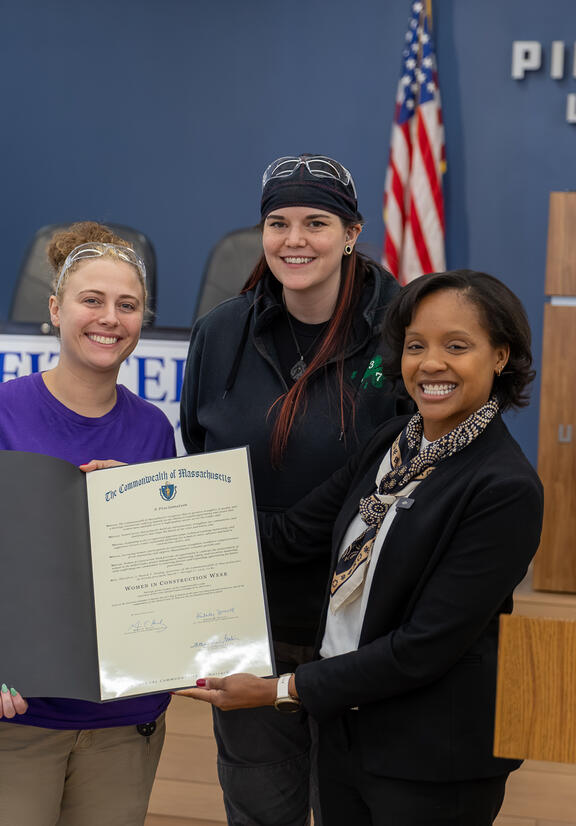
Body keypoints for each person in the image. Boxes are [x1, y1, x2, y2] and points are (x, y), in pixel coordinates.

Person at [179, 270, 544, 826]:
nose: (431, 363)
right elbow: (287, 536)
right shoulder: (390, 445)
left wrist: (280, 689)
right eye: (416, 345)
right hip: (346, 734)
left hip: (429, 757)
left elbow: (420, 649)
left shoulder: (504, 488)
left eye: (457, 346)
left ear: (500, 356)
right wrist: (149, 514)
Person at [180, 153, 402, 824]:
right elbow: (200, 449)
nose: (295, 239)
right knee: (259, 810)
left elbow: (399, 465)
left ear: (353, 232)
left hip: (362, 625)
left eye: (317, 221)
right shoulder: (221, 332)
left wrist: (279, 532)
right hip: (249, 624)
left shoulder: (402, 331)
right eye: (278, 222)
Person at [0, 221, 175, 826]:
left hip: (125, 718)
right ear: (54, 309)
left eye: (127, 305)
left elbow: (160, 570)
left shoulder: (154, 429)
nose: (109, 318)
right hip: (12, 715)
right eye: (91, 300)